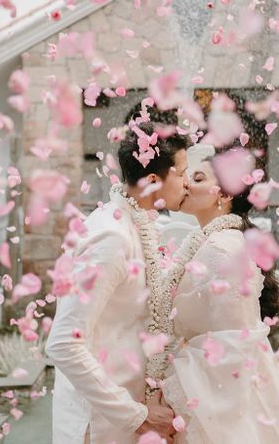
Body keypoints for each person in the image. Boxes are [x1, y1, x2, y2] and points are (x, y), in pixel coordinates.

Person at [46, 121, 190, 444]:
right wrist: (136, 416)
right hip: (99, 427)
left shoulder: (139, 224)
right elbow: (63, 344)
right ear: (153, 181)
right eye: (181, 173)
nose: (186, 184)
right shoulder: (110, 237)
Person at [154, 147, 279, 444]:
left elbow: (232, 344)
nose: (185, 184)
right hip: (221, 393)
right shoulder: (214, 242)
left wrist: (167, 387)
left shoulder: (222, 250)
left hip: (226, 401)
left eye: (196, 178)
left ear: (223, 195)